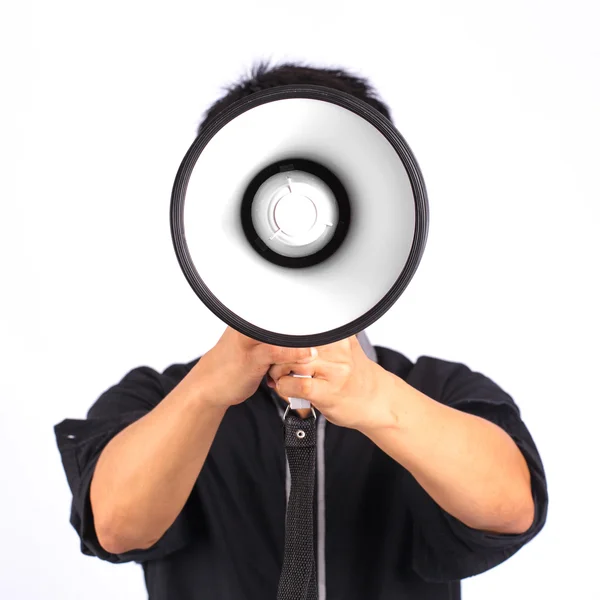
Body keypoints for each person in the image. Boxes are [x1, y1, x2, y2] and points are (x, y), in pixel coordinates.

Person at [54, 63, 548, 600]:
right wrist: (205, 392)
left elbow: (510, 507)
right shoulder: (158, 399)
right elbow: (116, 525)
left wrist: (373, 396)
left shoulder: (436, 391)